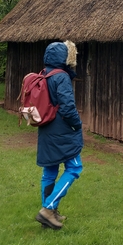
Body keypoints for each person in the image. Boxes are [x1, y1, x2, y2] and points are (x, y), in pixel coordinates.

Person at [35, 41, 84, 230]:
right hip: (61, 130)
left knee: (49, 171)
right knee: (74, 168)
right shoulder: (61, 77)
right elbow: (68, 107)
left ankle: (49, 213)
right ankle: (48, 209)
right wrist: (77, 125)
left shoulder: (44, 74)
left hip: (46, 128)